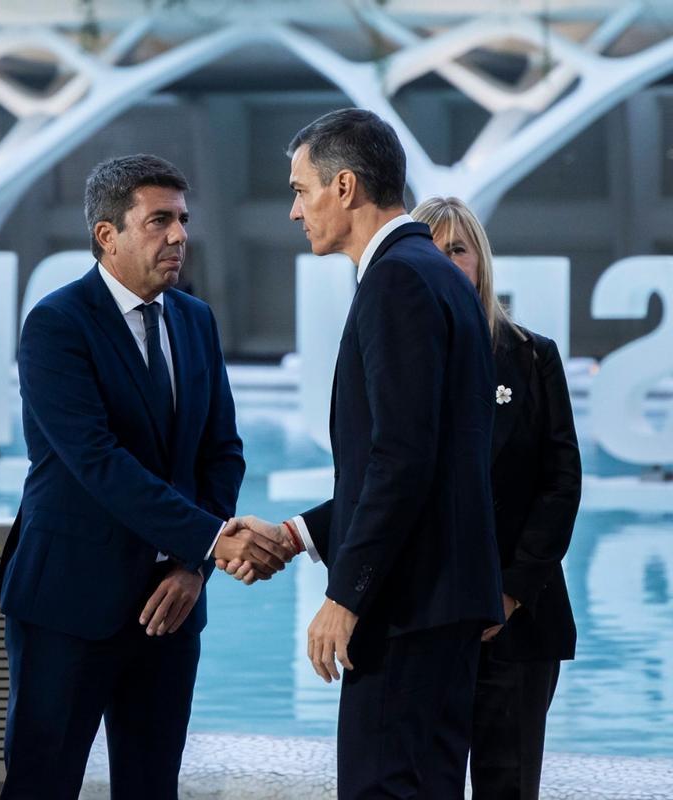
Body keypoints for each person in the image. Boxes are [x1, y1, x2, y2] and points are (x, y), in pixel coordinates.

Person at [221, 109, 504, 798]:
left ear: (343, 187)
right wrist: (296, 535)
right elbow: (426, 459)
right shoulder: (437, 276)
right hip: (442, 610)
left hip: (406, 611)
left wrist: (347, 595)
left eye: (300, 189)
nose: (294, 210)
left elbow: (402, 459)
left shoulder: (398, 280)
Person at [0, 154, 289, 799]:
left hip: (172, 604)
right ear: (108, 235)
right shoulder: (56, 324)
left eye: (182, 219)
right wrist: (214, 540)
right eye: (159, 220)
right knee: (41, 786)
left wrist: (193, 566)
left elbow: (223, 451)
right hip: (68, 603)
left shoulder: (195, 320)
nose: (180, 235)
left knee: (152, 788)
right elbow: (98, 463)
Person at [412, 196, 581, 800]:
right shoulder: (399, 361)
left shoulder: (532, 357)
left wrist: (508, 591)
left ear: (480, 261)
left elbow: (561, 484)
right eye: (429, 248)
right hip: (426, 623)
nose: (445, 261)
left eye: (457, 249)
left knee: (507, 787)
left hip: (518, 622)